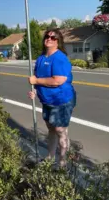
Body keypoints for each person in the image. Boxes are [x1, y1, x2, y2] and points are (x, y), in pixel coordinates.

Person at [28, 29, 76, 168]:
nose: (49, 39)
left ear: (58, 41)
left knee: (60, 130)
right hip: (47, 101)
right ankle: (49, 157)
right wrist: (35, 91)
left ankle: (62, 162)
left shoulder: (59, 58)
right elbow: (37, 79)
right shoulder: (41, 58)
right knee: (51, 129)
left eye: (53, 38)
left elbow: (58, 80)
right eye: (47, 36)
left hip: (61, 101)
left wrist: (36, 81)